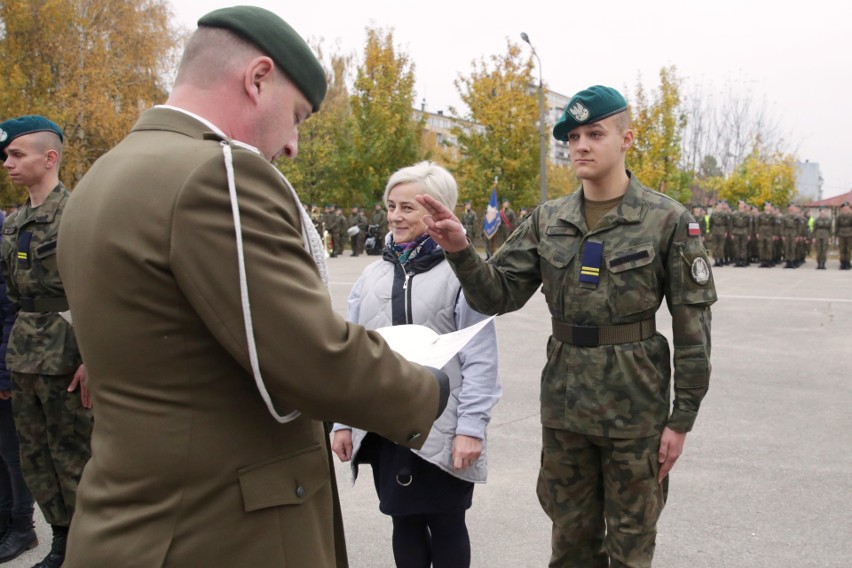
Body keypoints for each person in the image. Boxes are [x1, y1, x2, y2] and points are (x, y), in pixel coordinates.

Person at [55, 7, 450, 567]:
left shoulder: (103, 175)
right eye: (297, 116)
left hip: (132, 521)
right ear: (257, 77)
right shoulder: (218, 175)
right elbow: (310, 359)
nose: (292, 145)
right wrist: (427, 389)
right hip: (220, 529)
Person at [417, 85, 716, 567]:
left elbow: (693, 332)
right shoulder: (548, 219)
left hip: (636, 410)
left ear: (626, 139)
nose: (580, 145)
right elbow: (497, 294)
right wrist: (459, 249)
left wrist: (681, 420)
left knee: (631, 546)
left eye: (595, 133)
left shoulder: (667, 220)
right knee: (570, 543)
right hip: (566, 407)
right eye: (573, 136)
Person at [331, 162, 500, 568]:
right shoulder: (370, 277)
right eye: (391, 206)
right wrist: (342, 422)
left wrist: (471, 429)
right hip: (385, 427)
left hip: (444, 427)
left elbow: (480, 359)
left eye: (408, 207)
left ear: (436, 209)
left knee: (446, 524)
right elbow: (350, 355)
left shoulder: (462, 276)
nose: (394, 216)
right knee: (402, 523)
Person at [0, 114, 92, 568]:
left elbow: (101, 292)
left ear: (49, 157)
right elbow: (11, 293)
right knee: (36, 456)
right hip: (25, 353)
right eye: (7, 156)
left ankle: (85, 546)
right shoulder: (14, 222)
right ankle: (60, 540)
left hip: (67, 354)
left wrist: (94, 357)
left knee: (73, 455)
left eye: (16, 154)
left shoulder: (78, 212)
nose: (8, 164)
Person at [0, 210, 38, 564]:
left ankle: (22, 527)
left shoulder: (6, 232)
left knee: (13, 453)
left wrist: (4, 373)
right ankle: (4, 522)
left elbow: (12, 309)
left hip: (9, 362)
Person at [836, 201, 852, 269]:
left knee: (848, 250)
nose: (845, 208)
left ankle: (847, 262)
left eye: (847, 207)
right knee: (842, 249)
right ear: (842, 208)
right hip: (841, 234)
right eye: (844, 207)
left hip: (849, 234)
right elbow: (837, 226)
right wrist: (836, 235)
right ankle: (842, 263)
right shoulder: (839, 216)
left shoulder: (851, 216)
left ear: (849, 208)